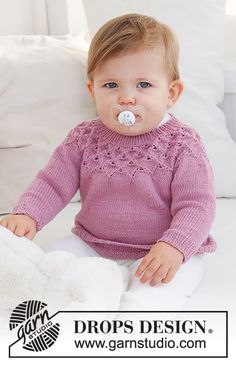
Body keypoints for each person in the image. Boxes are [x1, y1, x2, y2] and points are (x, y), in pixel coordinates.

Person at [0, 13, 216, 311]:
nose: (126, 98)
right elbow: (51, 183)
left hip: (160, 250)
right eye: (112, 85)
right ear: (93, 90)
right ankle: (80, 299)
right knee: (44, 268)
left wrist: (175, 246)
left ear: (171, 93)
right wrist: (27, 215)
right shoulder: (84, 138)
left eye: (143, 85)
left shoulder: (182, 144)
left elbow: (197, 205)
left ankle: (127, 322)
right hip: (93, 244)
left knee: (152, 296)